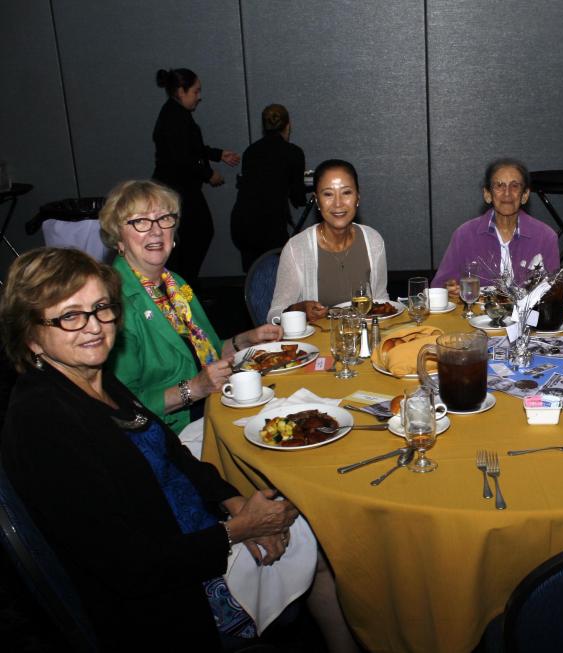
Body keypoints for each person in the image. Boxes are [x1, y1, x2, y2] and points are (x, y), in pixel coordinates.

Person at [0, 248, 357, 650]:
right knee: (322, 541)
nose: (94, 327)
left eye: (101, 307)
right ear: (30, 336)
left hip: (196, 538)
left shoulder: (94, 379)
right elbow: (130, 567)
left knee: (302, 521)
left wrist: (236, 503)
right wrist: (239, 530)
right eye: (70, 316)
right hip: (170, 605)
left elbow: (175, 455)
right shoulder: (42, 424)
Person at [99, 180, 281, 441]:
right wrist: (193, 389)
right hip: (168, 434)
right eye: (140, 221)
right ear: (118, 237)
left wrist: (246, 339)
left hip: (213, 408)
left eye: (164, 218)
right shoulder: (114, 301)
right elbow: (121, 405)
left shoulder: (175, 284)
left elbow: (207, 352)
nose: (156, 231)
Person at [269, 159, 389, 322]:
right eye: (328, 194)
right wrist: (299, 310)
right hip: (318, 344)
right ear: (317, 200)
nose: (338, 203)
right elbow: (273, 316)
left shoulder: (374, 241)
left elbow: (382, 301)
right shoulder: (296, 248)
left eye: (346, 192)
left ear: (357, 198)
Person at [152, 67, 240, 286]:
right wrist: (209, 174)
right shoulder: (175, 118)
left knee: (191, 237)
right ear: (181, 91)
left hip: (177, 190)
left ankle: (182, 286)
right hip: (178, 191)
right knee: (196, 235)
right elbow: (184, 157)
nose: (198, 97)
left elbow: (192, 148)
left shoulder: (174, 114)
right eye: (195, 91)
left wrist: (218, 155)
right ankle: (181, 287)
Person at [432, 158, 559, 295]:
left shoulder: (545, 237)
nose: (507, 193)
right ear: (487, 194)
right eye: (499, 185)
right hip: (477, 314)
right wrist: (449, 290)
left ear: (525, 195)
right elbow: (439, 288)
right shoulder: (464, 235)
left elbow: (556, 291)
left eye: (515, 186)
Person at [230, 103, 307, 272]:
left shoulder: (250, 152)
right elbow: (298, 197)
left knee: (253, 275)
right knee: (278, 273)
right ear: (288, 125)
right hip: (271, 226)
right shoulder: (293, 152)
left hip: (243, 222)